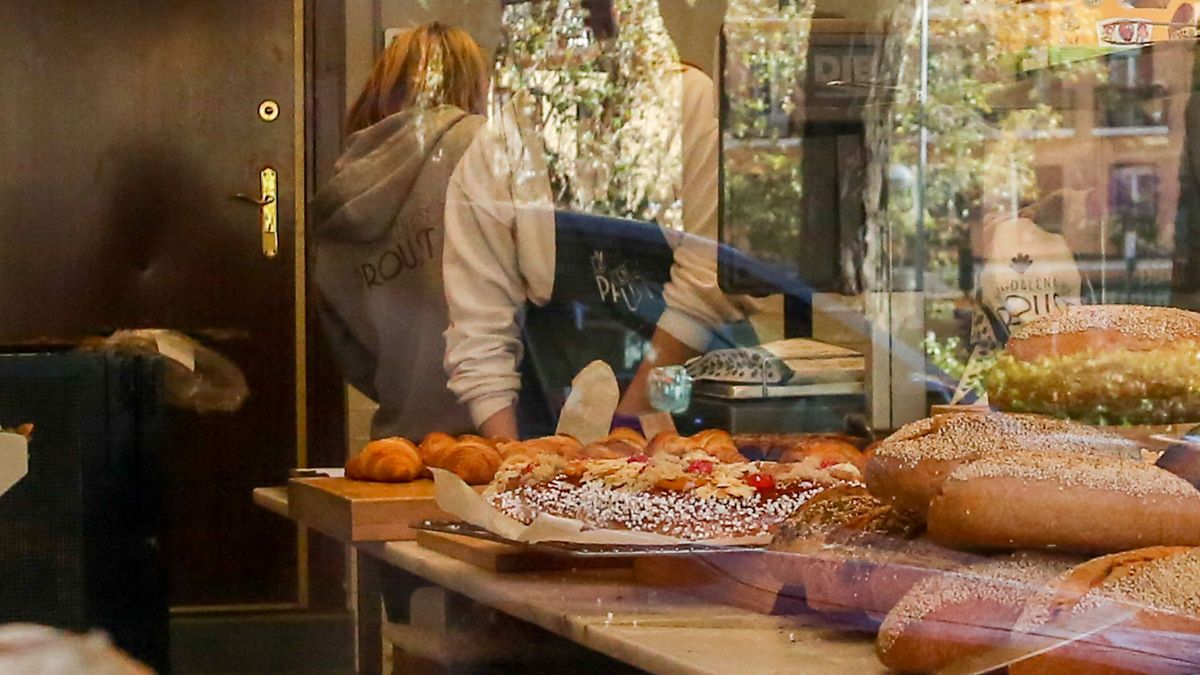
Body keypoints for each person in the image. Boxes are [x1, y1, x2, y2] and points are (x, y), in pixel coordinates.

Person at [442, 0, 760, 440]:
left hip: (700, 413)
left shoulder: (688, 103)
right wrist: (511, 463)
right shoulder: (498, 149)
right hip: (560, 418)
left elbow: (709, 281)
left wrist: (627, 427)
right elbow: (480, 336)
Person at [313, 22, 488, 440]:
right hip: (501, 442)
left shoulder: (344, 184)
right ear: (473, 84)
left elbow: (348, 352)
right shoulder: (485, 148)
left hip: (402, 445)